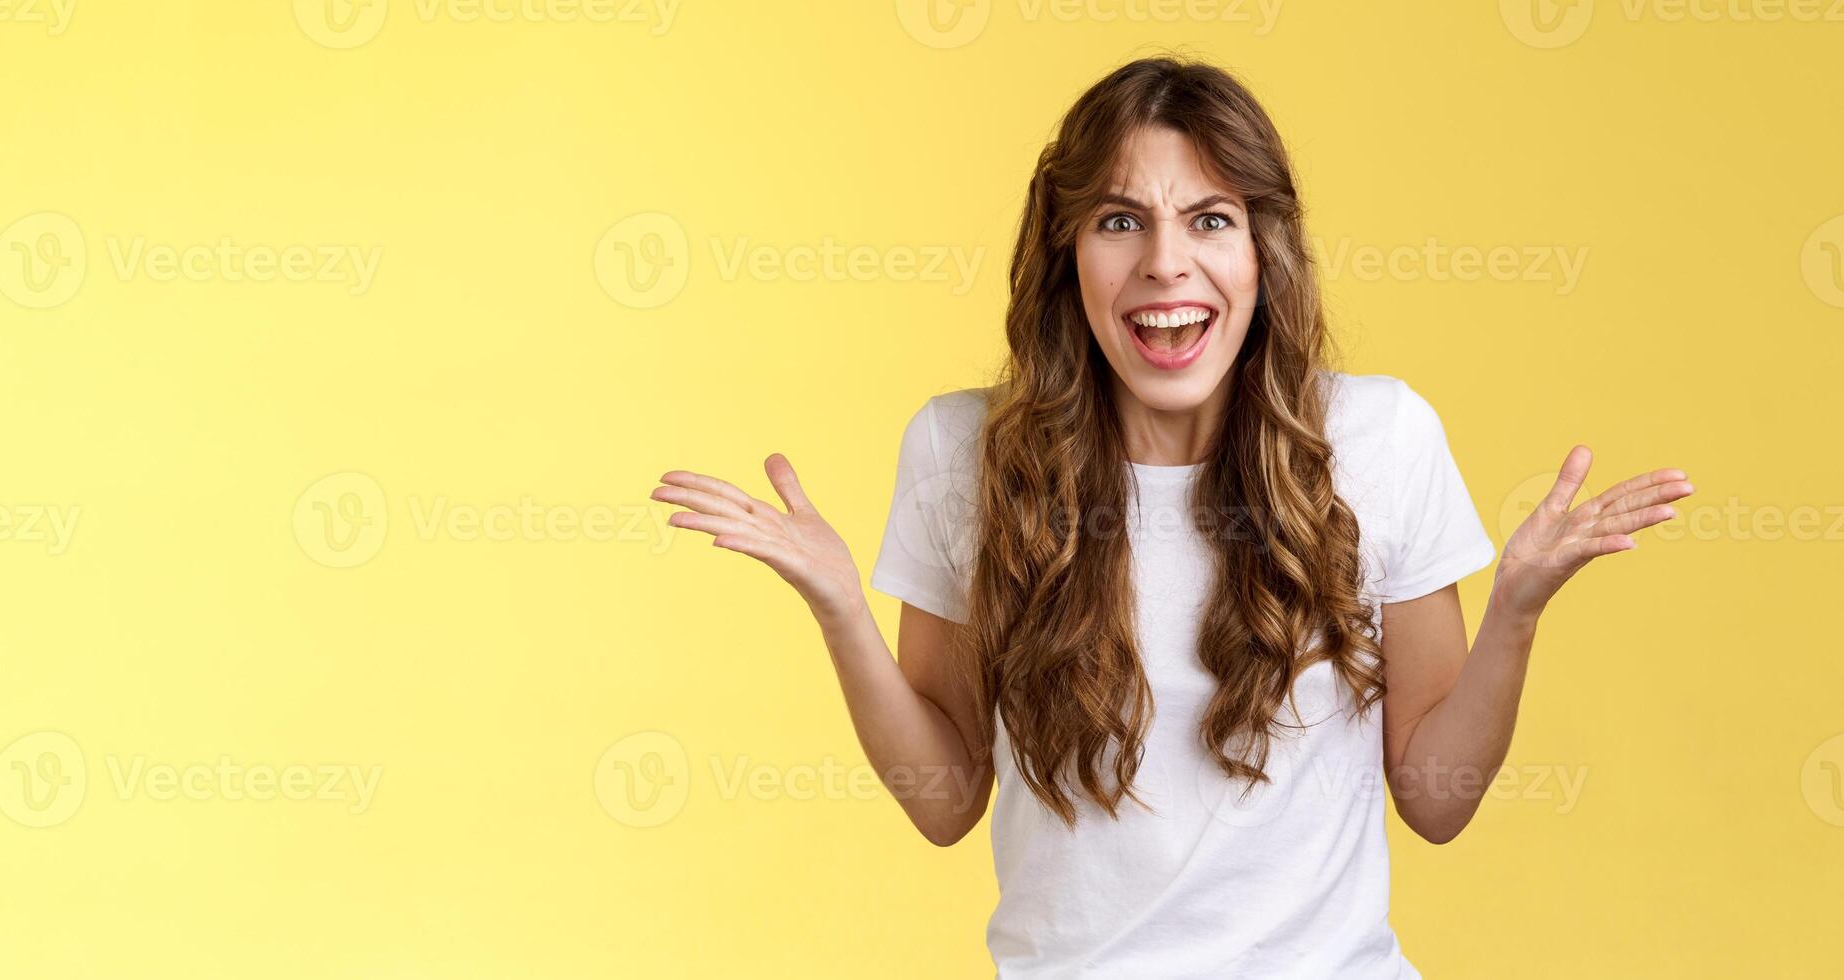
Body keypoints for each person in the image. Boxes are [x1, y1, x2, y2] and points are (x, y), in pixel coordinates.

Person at [651, 56, 1692, 979]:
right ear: (1066, 255)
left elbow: (1436, 797)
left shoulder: (1379, 438)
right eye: (1118, 220)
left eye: (1208, 218)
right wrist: (840, 609)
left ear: (1260, 253)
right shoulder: (962, 453)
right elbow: (943, 799)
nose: (1163, 263)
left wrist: (1513, 611)